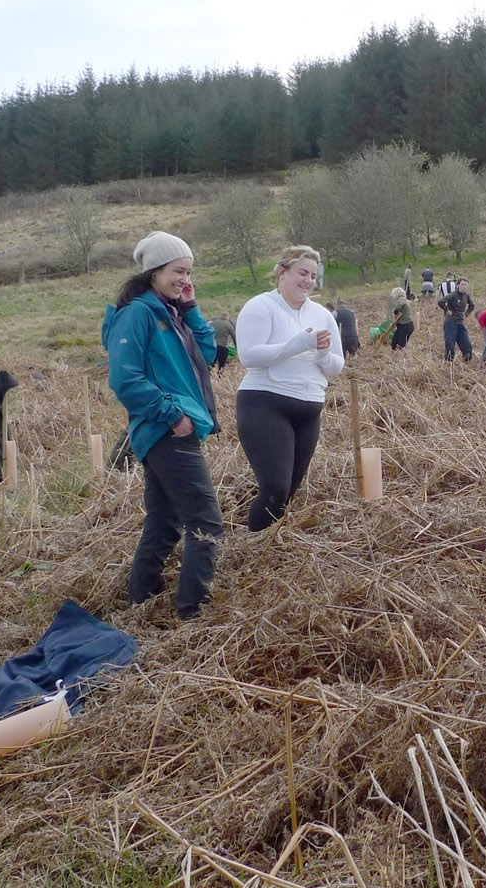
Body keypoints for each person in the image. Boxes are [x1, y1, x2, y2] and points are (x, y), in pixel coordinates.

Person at [102, 231, 223, 619]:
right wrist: (172, 415)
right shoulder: (138, 314)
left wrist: (191, 308)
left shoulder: (170, 313)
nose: (184, 280)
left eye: (188, 272)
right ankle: (193, 612)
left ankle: (140, 602)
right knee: (205, 523)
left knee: (165, 522)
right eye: (177, 271)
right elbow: (124, 379)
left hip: (171, 429)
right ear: (154, 271)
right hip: (166, 430)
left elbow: (206, 355)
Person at [234, 246, 344, 532]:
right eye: (302, 273)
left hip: (309, 410)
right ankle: (252, 547)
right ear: (283, 272)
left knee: (288, 494)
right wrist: (299, 344)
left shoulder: (322, 315)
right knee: (275, 488)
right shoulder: (261, 306)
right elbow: (249, 355)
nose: (308, 281)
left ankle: (271, 547)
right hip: (265, 405)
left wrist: (322, 354)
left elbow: (336, 366)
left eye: (313, 276)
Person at [437, 277, 476, 362]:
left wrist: (466, 313)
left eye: (466, 285)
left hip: (460, 322)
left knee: (467, 345)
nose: (464, 286)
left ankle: (466, 363)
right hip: (450, 322)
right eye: (462, 284)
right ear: (458, 285)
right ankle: (449, 363)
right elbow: (441, 302)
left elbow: (472, 305)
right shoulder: (453, 294)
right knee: (450, 344)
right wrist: (447, 310)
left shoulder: (466, 296)